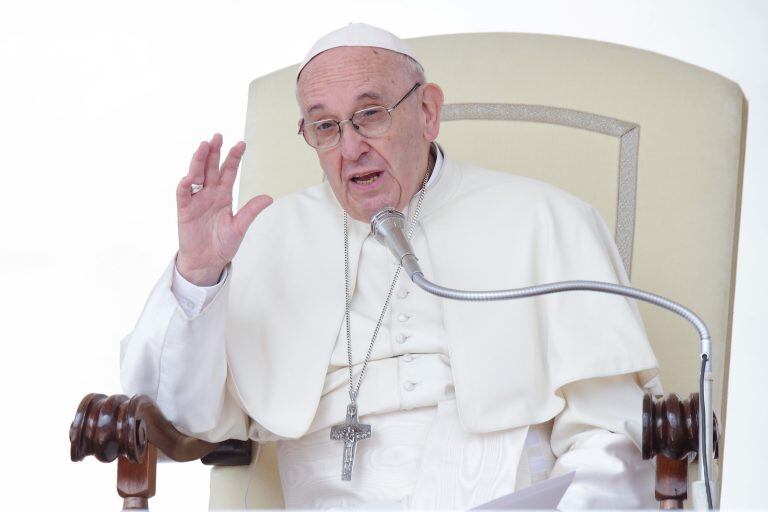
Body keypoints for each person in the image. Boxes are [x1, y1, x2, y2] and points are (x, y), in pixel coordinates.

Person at [121, 23, 660, 509]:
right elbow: (177, 420)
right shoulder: (263, 237)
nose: (350, 147)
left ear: (427, 113)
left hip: (503, 488)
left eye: (370, 114)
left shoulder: (547, 219)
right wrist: (198, 272)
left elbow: (612, 432)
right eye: (325, 126)